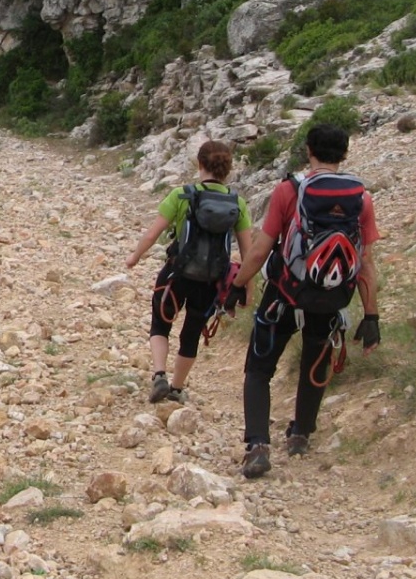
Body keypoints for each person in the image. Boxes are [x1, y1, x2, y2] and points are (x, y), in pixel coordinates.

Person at [231, 124, 381, 479]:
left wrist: (238, 284)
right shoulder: (362, 199)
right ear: (344, 154)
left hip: (283, 295)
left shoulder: (289, 191)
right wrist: (371, 316)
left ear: (308, 150)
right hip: (329, 298)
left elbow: (261, 250)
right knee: (315, 364)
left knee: (258, 369)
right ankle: (300, 434)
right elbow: (366, 263)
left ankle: (258, 445)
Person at [125, 140, 253, 405]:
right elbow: (249, 252)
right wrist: (247, 289)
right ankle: (177, 388)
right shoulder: (237, 203)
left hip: (177, 274)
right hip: (211, 281)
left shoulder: (182, 195)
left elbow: (153, 233)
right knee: (191, 333)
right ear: (227, 169)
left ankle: (159, 374)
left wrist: (135, 257)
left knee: (161, 324)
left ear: (200, 164)